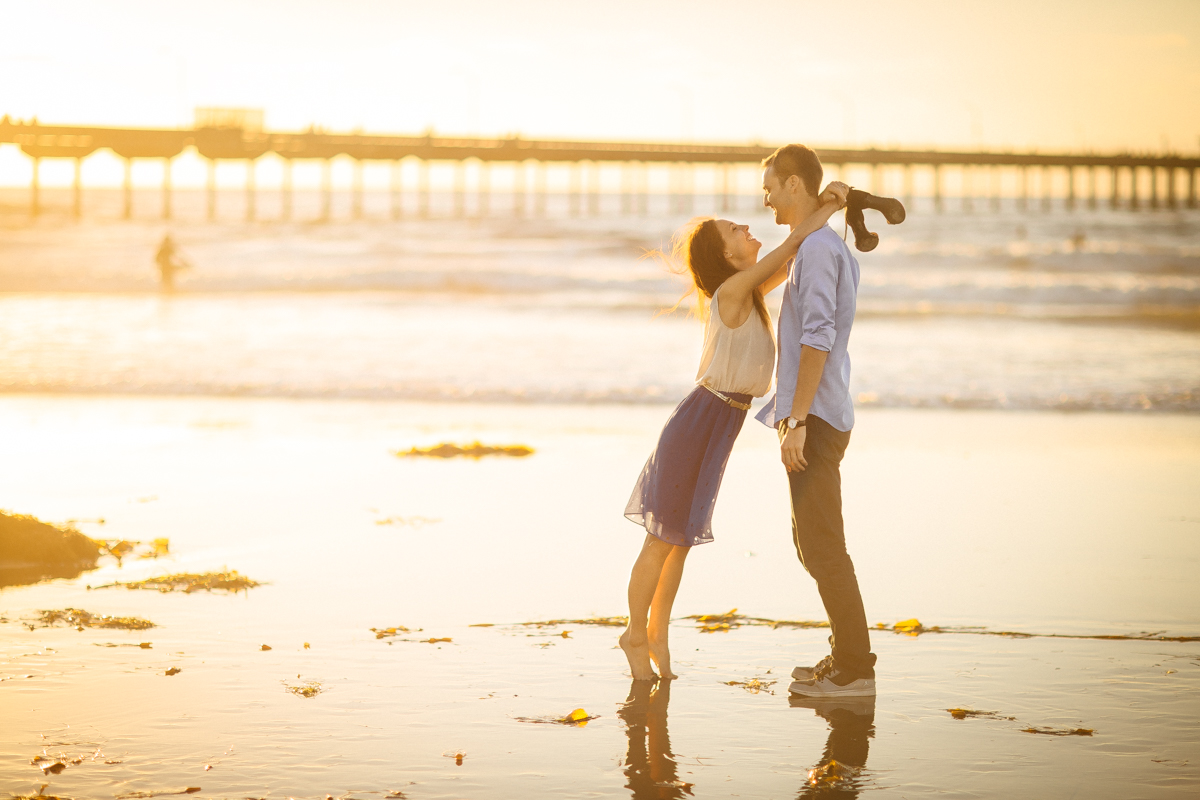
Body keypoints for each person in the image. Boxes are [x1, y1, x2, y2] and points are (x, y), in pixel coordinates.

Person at [619, 180, 849, 682]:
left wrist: (828, 211)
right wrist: (831, 203)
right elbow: (791, 246)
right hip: (700, 421)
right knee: (661, 541)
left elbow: (796, 257)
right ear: (726, 255)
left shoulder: (749, 291)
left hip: (718, 423)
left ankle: (658, 633)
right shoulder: (732, 289)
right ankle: (634, 634)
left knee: (679, 540)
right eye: (735, 229)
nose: (748, 227)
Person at [755, 144, 877, 697]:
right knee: (815, 545)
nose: (767, 197)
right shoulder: (816, 245)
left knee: (824, 546)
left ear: (796, 185)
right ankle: (845, 658)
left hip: (818, 417)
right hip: (817, 413)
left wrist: (798, 420)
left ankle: (855, 671)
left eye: (772, 186)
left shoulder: (821, 250)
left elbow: (817, 337)